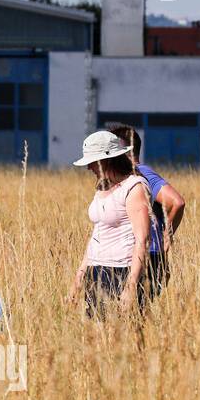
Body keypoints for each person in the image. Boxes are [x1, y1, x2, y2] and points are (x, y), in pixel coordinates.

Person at [67, 130, 152, 322]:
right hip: (96, 272)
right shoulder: (101, 187)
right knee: (96, 340)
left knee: (123, 339)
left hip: (122, 271)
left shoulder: (134, 187)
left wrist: (130, 287)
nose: (89, 167)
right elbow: (96, 236)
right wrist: (78, 281)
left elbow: (143, 240)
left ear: (108, 160)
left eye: (92, 161)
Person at [104, 121, 186, 301]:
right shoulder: (128, 176)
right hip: (141, 256)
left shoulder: (141, 173)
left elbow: (176, 202)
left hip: (147, 256)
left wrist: (167, 235)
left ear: (124, 151)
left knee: (131, 316)